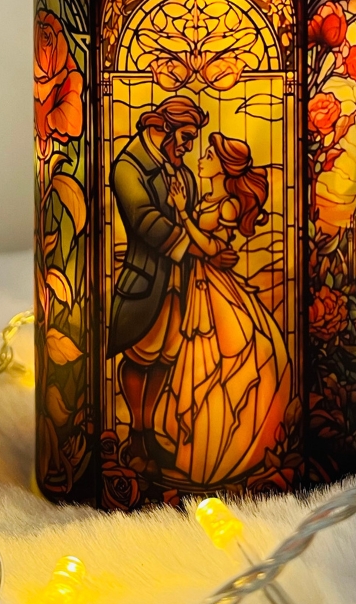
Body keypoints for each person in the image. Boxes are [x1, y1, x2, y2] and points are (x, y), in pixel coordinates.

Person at [107, 96, 236, 467]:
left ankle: (147, 432)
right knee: (140, 356)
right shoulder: (128, 167)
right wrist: (203, 252)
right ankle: (136, 434)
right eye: (185, 137)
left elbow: (190, 221)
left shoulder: (184, 174)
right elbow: (145, 221)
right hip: (146, 283)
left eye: (192, 139)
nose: (188, 146)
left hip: (182, 284)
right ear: (161, 127)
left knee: (167, 357)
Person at [162, 132, 291, 485]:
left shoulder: (228, 206)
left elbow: (210, 247)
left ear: (223, 165)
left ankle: (221, 460)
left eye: (208, 154)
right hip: (199, 282)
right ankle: (193, 460)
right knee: (199, 363)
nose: (201, 157)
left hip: (216, 285)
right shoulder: (206, 199)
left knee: (228, 360)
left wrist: (182, 213)